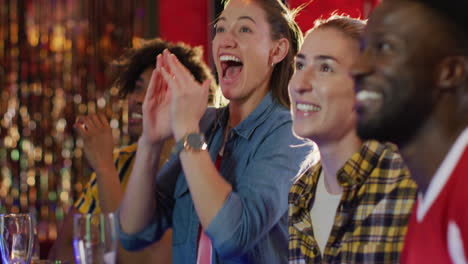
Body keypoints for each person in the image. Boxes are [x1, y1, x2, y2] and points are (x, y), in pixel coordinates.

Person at [117, 0, 312, 263]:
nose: (226, 40)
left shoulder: (291, 132)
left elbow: (233, 236)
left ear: (276, 51)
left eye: (244, 29)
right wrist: (150, 141)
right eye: (220, 29)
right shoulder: (204, 124)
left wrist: (187, 131)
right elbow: (133, 232)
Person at [49, 38, 216, 264]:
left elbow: (147, 258)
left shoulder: (200, 166)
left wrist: (104, 167)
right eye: (137, 87)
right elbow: (62, 252)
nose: (139, 99)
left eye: (159, 87)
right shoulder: (120, 160)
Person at [288, 16, 417, 263]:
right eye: (300, 66)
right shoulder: (300, 193)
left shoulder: (408, 183)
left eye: (325, 68)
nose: (299, 84)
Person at [352, 0, 468, 262]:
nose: (357, 68)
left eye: (384, 48)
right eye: (363, 49)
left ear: (450, 72)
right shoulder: (427, 198)